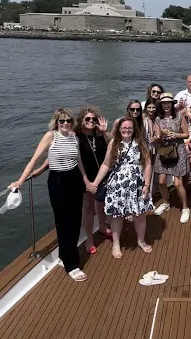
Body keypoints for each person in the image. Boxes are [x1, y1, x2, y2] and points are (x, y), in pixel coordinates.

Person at [9, 108, 93, 282]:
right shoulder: (50, 136)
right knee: (63, 222)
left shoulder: (74, 137)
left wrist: (86, 181)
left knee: (75, 220)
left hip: (74, 180)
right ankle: (72, 265)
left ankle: (64, 256)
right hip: (58, 181)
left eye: (68, 120)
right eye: (61, 121)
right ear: (56, 122)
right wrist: (20, 181)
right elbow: (34, 159)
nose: (65, 123)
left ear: (72, 122)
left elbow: (78, 161)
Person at [91, 117, 154, 258]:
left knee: (139, 215)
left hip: (136, 185)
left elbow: (147, 164)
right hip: (118, 185)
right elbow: (106, 164)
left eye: (129, 127)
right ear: (119, 129)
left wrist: (146, 184)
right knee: (117, 216)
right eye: (124, 127)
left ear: (134, 129)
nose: (126, 130)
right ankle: (116, 244)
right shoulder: (114, 142)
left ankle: (141, 241)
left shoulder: (140, 143)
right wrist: (95, 183)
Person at [76, 107, 112, 252]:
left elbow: (114, 144)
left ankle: (102, 226)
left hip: (103, 176)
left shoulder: (99, 135)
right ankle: (89, 238)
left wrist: (104, 131)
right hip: (86, 178)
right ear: (81, 121)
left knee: (102, 202)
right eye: (87, 119)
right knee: (89, 207)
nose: (91, 121)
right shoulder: (76, 137)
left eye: (94, 119)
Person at [152, 92, 190, 223]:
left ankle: (185, 208)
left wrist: (176, 135)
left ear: (172, 104)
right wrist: (159, 136)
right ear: (161, 105)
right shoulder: (158, 119)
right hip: (164, 151)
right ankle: (165, 202)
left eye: (168, 103)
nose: (166, 105)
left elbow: (186, 134)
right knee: (161, 181)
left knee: (177, 183)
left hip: (178, 150)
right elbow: (158, 137)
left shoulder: (179, 116)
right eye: (164, 103)